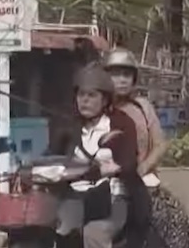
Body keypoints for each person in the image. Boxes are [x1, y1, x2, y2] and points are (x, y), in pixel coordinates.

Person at [105, 48, 189, 248]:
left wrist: (143, 168)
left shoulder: (143, 107)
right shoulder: (98, 107)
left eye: (126, 74)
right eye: (115, 74)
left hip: (143, 183)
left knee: (175, 216)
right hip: (106, 185)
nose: (122, 80)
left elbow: (160, 144)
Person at [54, 64, 146, 248]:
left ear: (105, 100)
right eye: (81, 95)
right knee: (59, 230)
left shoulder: (122, 123)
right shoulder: (69, 126)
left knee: (94, 233)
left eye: (91, 95)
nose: (85, 101)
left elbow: (128, 163)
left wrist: (103, 170)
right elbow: (52, 156)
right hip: (76, 198)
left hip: (112, 199)